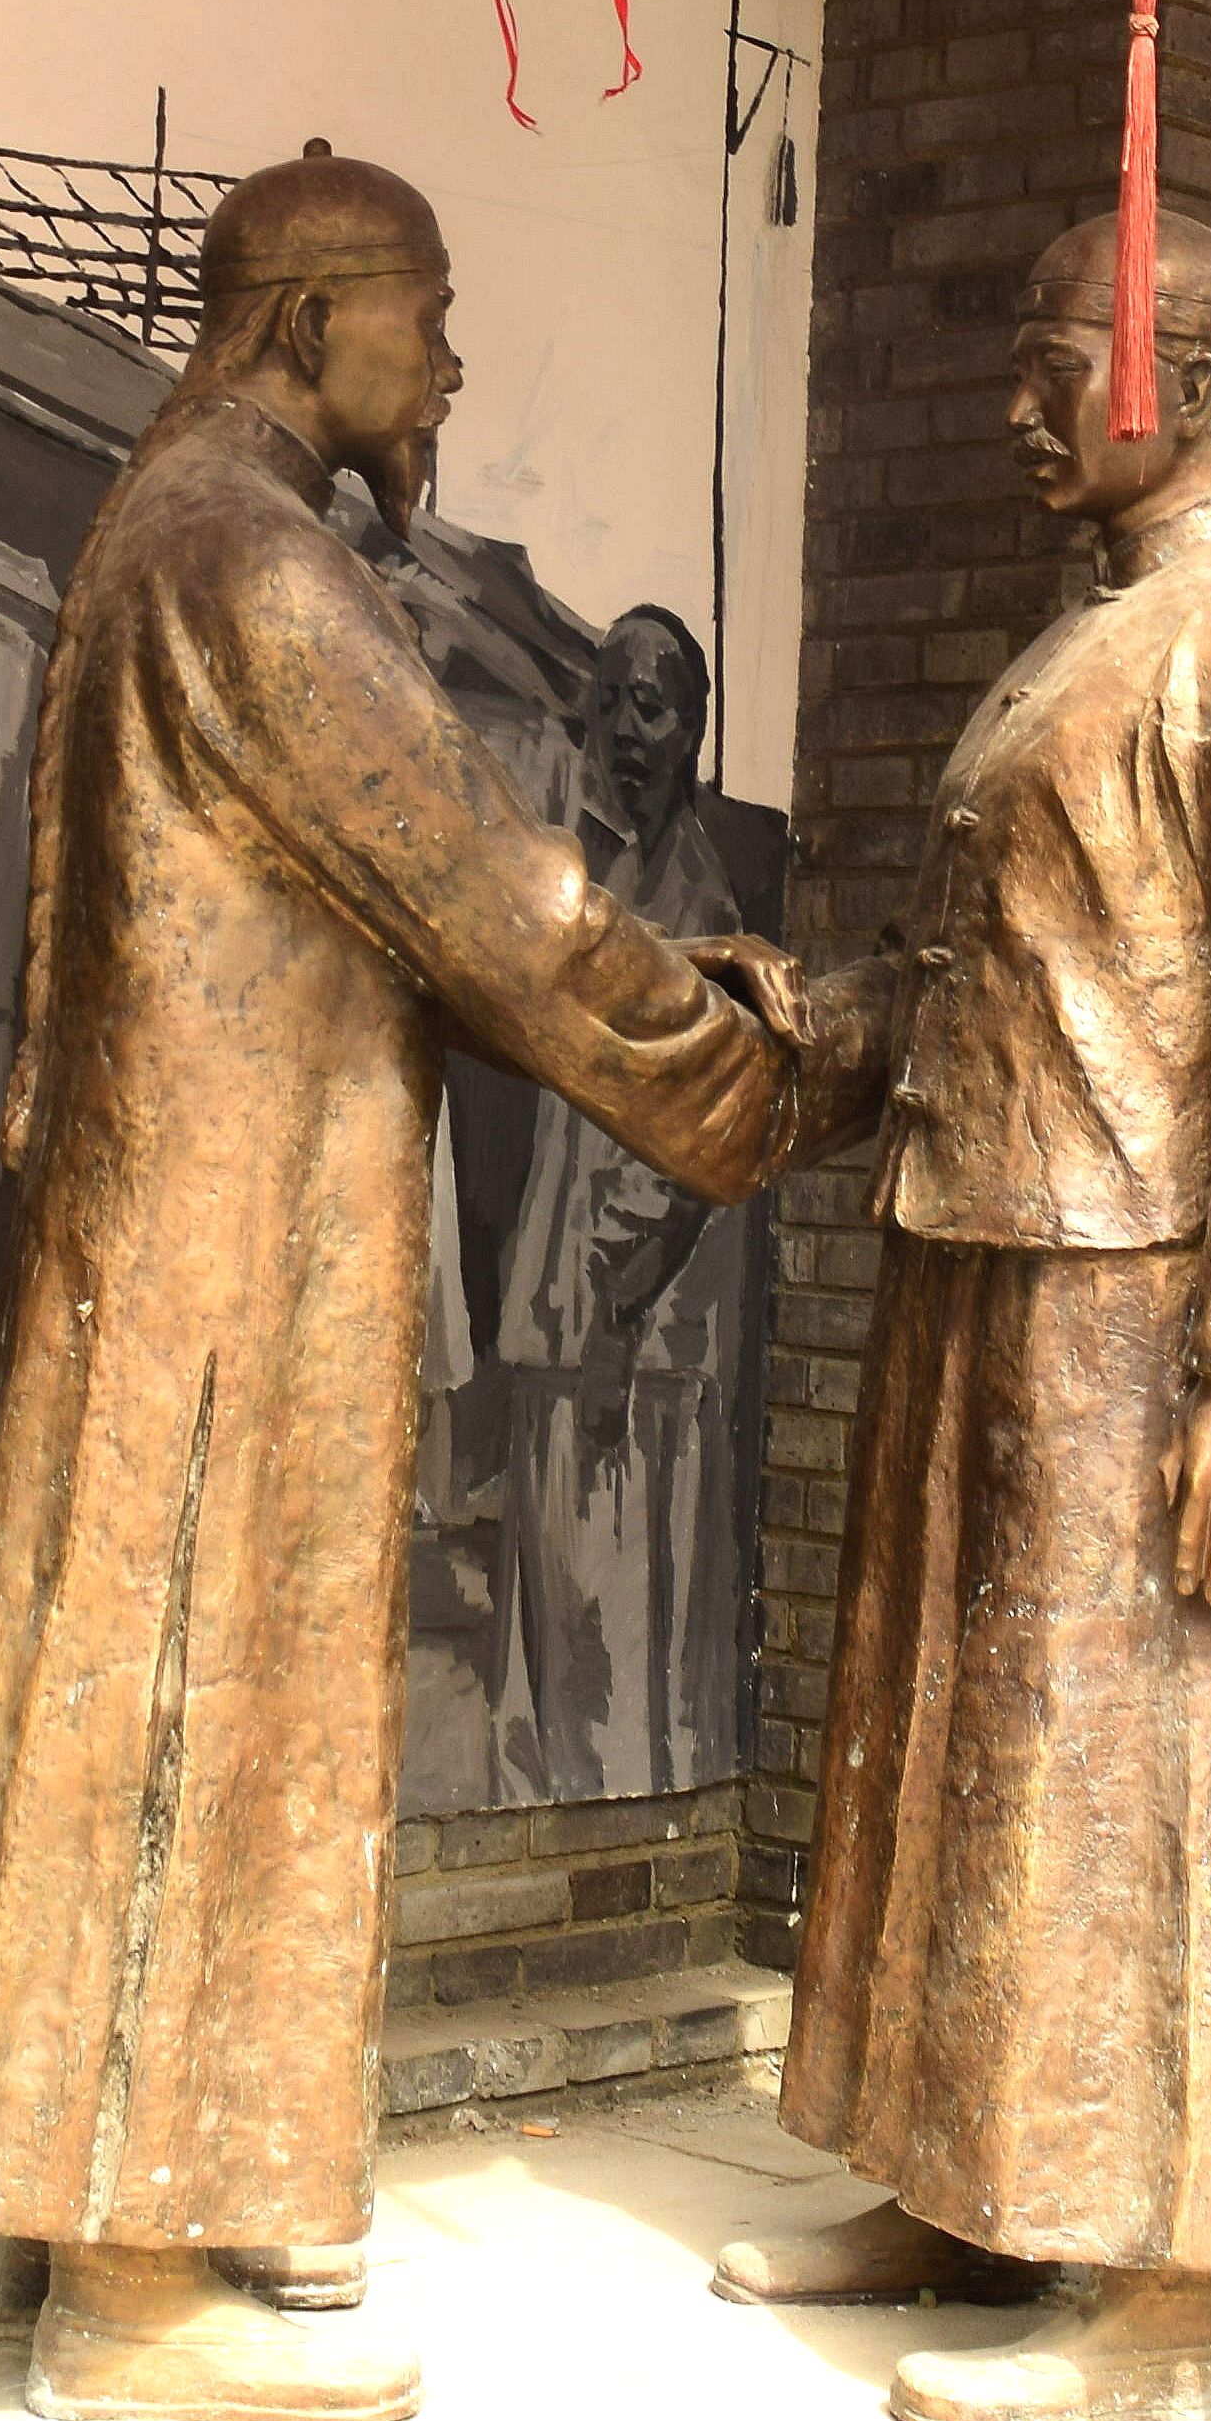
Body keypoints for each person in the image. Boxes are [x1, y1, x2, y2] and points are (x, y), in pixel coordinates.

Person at [0, 146, 795, 2421]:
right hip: (216, 1243)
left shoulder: (193, 523)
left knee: (247, 1691)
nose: (450, 362)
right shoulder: (249, 560)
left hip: (231, 1217)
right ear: (309, 320)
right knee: (184, 1689)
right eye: (427, 315)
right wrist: (753, 1068)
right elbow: (488, 894)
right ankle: (123, 2274)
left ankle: (216, 2167)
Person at [710, 206, 1211, 2421]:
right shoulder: (1088, 632)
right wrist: (792, 1032)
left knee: (1142, 1769)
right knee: (967, 1747)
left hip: (1136, 1300)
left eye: (1058, 366)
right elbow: (994, 973)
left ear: (1190, 388)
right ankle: (973, 2181)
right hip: (985, 1249)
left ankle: (1159, 2293)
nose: (1017, 405)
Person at [487, 607, 776, 1802]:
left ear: (694, 726)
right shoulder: (593, 879)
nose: (622, 730)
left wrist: (615, 1317)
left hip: (640, 1352)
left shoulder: (700, 899)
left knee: (622, 1655)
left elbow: (701, 1145)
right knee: (549, 1649)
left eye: (648, 704)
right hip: (560, 1325)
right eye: (606, 702)